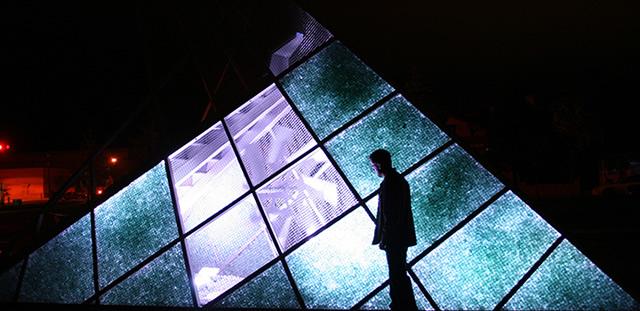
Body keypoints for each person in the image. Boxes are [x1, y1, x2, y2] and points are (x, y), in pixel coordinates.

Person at [370, 148, 418, 311]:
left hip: (394, 238)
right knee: (399, 272)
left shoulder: (390, 183)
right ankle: (404, 304)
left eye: (373, 165)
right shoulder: (398, 181)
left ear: (379, 164)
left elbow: (390, 215)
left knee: (396, 273)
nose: (373, 169)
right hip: (399, 237)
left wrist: (385, 238)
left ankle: (400, 305)